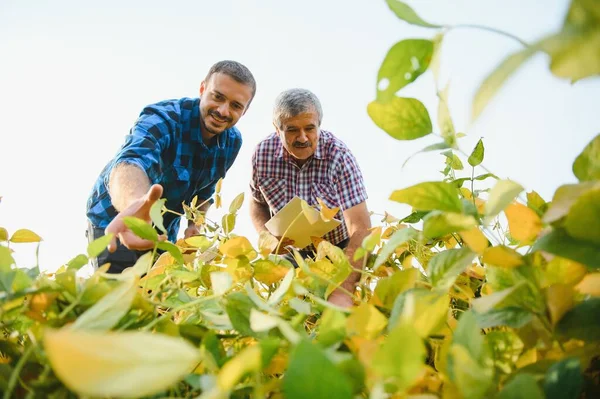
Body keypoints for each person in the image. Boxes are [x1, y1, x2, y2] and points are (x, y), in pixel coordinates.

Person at [86, 60, 256, 273]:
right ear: (203, 89)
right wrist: (135, 208)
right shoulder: (165, 118)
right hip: (119, 222)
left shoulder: (232, 142)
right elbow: (131, 161)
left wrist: (196, 224)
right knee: (118, 300)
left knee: (159, 303)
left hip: (164, 235)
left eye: (235, 105)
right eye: (218, 97)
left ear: (245, 111)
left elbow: (205, 192)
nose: (223, 111)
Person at [249, 88, 371, 308]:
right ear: (277, 130)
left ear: (319, 125)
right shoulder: (262, 154)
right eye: (292, 130)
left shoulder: (339, 156)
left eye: (309, 128)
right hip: (291, 253)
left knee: (336, 313)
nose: (302, 137)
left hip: (339, 249)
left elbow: (360, 226)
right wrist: (267, 237)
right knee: (283, 311)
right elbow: (257, 204)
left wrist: (346, 288)